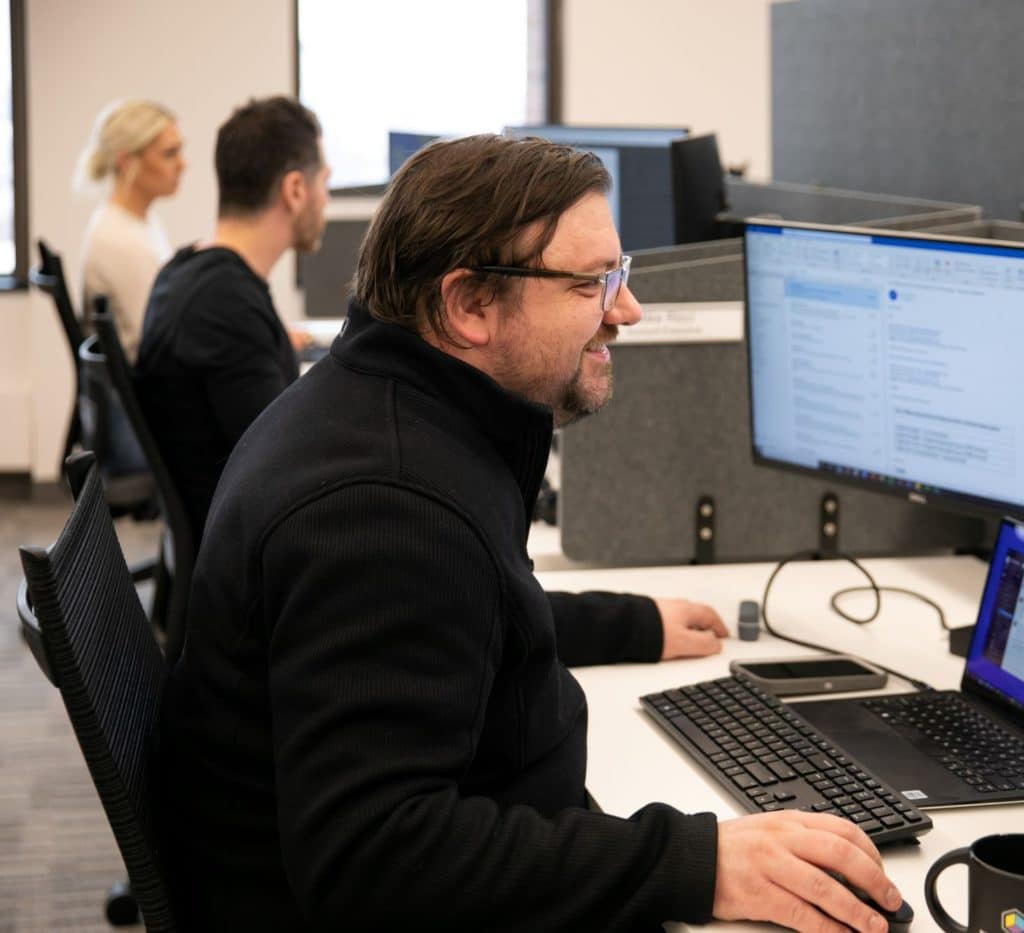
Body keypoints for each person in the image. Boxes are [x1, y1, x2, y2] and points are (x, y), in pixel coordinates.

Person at [162, 135, 902, 932]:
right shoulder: (386, 508)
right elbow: (374, 859)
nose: (627, 310)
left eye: (621, 274)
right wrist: (696, 863)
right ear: (469, 304)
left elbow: (466, 615)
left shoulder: (386, 412)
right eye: (592, 283)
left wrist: (632, 621)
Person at [135, 95, 329, 549]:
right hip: (248, 558)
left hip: (226, 529)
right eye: (324, 182)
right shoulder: (226, 307)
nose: (326, 198)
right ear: (295, 189)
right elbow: (286, 466)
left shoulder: (186, 271)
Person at [76, 99, 185, 362]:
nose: (182, 164)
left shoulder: (136, 223)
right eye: (169, 154)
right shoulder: (120, 242)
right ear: (126, 161)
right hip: (152, 391)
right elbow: (154, 338)